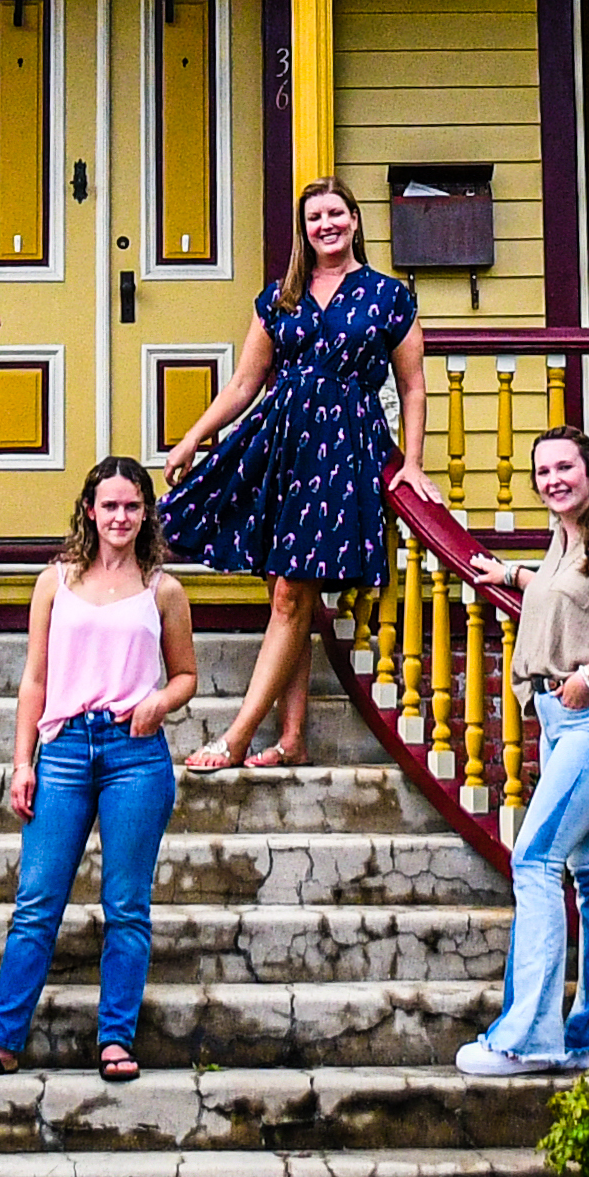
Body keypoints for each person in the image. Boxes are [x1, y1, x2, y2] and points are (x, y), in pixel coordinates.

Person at [0, 454, 197, 1088]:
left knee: (126, 905)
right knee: (37, 901)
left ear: (146, 512)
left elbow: (186, 674)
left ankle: (115, 1038)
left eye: (132, 506)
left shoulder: (162, 588)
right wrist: (22, 761)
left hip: (135, 755)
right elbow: (34, 680)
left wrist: (158, 702)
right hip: (63, 750)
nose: (120, 517)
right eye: (109, 505)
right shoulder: (56, 580)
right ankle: (1, 1041)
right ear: (89, 509)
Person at [154, 176, 423, 772]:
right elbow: (246, 384)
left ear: (355, 220)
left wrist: (413, 462)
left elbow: (412, 385)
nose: (326, 225)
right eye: (314, 217)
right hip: (282, 444)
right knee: (287, 588)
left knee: (290, 591)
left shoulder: (387, 295)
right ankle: (293, 735)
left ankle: (239, 734)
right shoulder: (281, 296)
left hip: (344, 447)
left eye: (336, 213)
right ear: (304, 230)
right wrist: (195, 436)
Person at [455, 424, 589, 1079]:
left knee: (535, 858)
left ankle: (528, 1037)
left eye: (564, 468)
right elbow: (570, 597)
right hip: (559, 720)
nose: (553, 480)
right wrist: (513, 574)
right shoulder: (567, 540)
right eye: (542, 471)